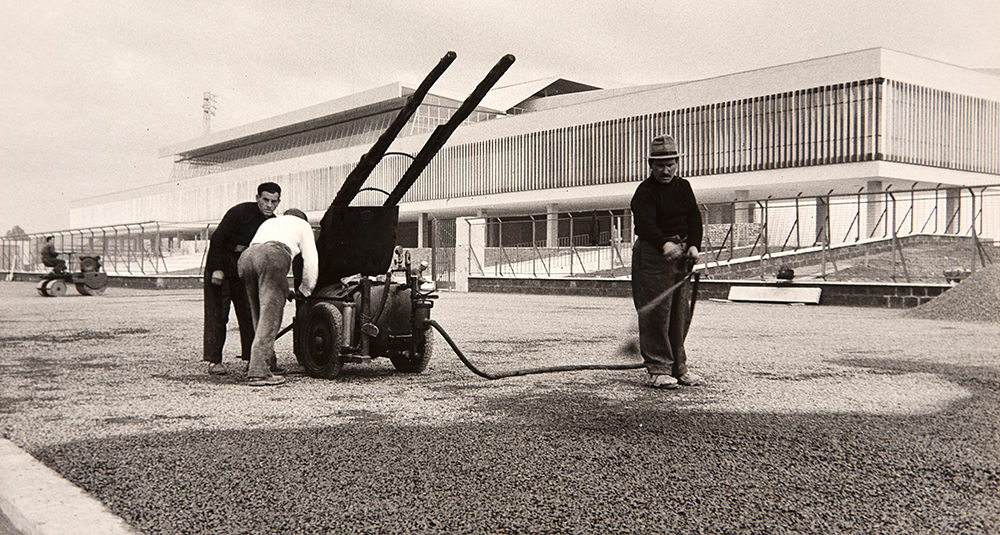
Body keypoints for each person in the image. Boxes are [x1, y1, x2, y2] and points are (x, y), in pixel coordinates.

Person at [630, 134, 703, 389]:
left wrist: (693, 244)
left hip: (681, 254)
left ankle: (678, 367)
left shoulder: (683, 187)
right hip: (653, 254)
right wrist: (664, 244)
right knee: (656, 312)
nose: (665, 170)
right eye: (659, 164)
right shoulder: (645, 192)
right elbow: (644, 224)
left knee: (679, 313)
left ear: (677, 163)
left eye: (670, 163)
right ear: (650, 165)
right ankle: (658, 369)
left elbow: (694, 217)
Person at [204, 182, 282, 375]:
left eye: (274, 201)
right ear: (257, 198)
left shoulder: (273, 223)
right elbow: (217, 240)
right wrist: (217, 269)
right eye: (265, 200)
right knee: (218, 315)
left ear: (278, 202)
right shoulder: (239, 212)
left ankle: (252, 359)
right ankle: (214, 361)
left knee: (250, 314)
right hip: (222, 268)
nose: (269, 205)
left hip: (245, 274)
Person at [237, 208, 318, 386]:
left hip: (246, 258)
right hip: (273, 255)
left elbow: (259, 256)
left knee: (258, 313)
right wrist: (306, 289)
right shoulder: (303, 225)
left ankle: (269, 363)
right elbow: (311, 260)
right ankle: (258, 372)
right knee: (270, 316)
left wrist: (284, 290)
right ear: (303, 219)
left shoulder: (270, 222)